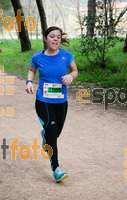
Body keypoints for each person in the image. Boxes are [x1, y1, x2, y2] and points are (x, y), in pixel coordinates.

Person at [26, 26, 78, 182]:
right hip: (44, 100)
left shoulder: (67, 56)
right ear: (45, 38)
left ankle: (45, 135)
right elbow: (32, 71)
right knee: (52, 132)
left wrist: (71, 76)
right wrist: (29, 81)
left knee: (55, 132)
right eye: (52, 36)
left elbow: (75, 71)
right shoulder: (37, 58)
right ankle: (56, 168)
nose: (56, 39)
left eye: (58, 37)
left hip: (61, 101)